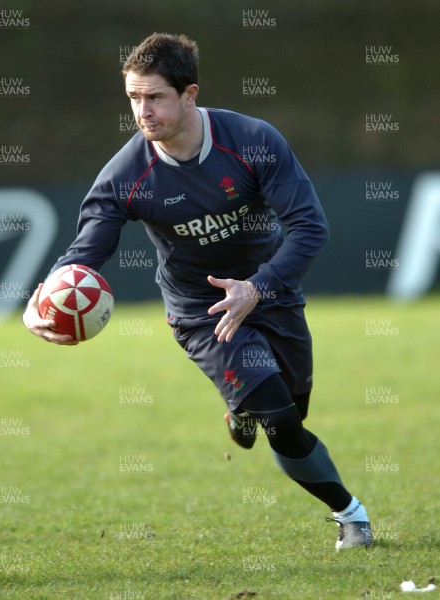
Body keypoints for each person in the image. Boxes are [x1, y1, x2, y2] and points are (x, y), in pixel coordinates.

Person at [23, 32, 373, 550]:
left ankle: (240, 409)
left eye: (155, 97)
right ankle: (352, 515)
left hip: (271, 291)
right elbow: (84, 253)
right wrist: (41, 302)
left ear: (189, 95)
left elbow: (309, 228)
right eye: (133, 98)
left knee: (295, 413)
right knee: (279, 418)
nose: (143, 112)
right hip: (202, 312)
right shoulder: (126, 175)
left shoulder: (252, 141)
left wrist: (258, 286)